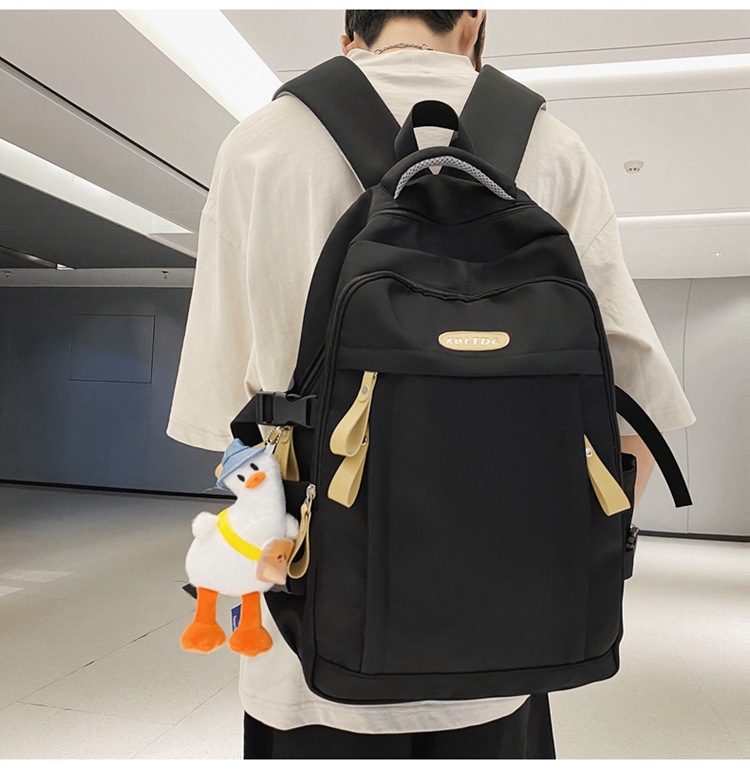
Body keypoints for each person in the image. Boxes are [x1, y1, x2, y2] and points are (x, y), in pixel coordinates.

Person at [167, 10, 696, 760]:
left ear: (349, 31)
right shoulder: (554, 146)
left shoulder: (260, 143)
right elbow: (634, 403)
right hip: (506, 654)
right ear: (474, 20)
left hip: (310, 647)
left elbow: (220, 412)